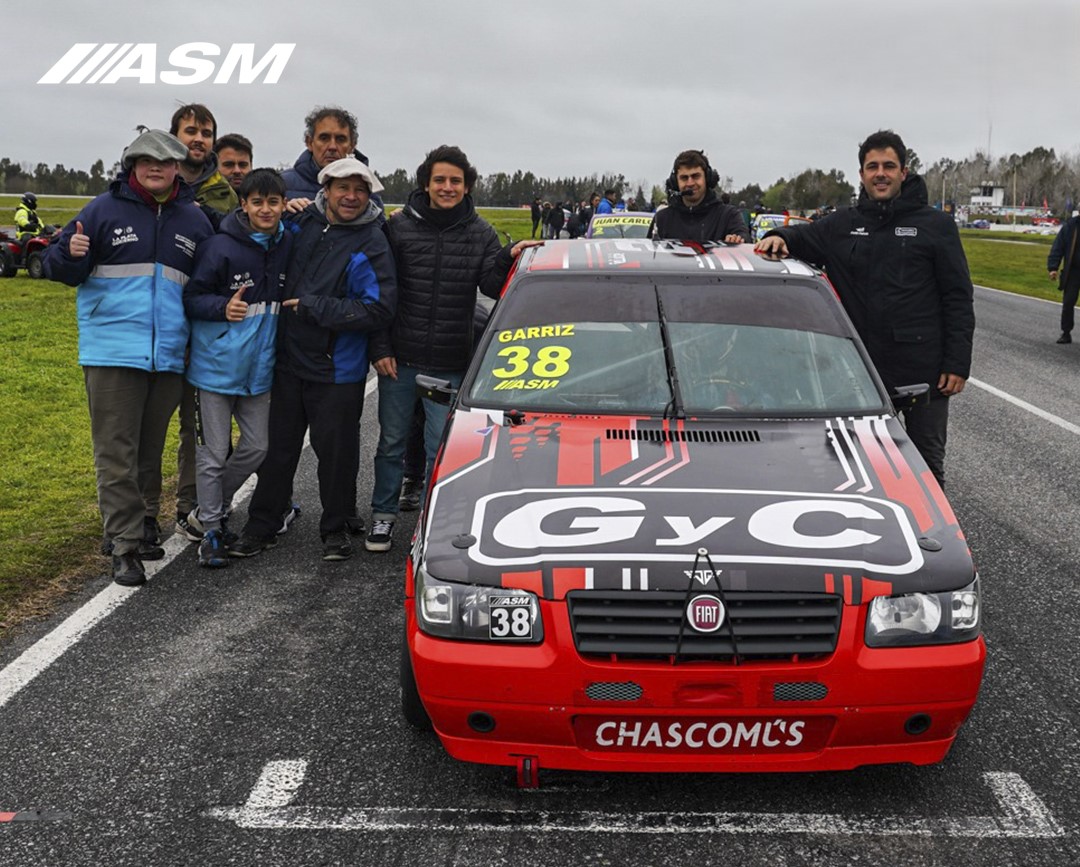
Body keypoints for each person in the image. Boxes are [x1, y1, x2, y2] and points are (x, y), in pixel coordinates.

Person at [754, 129, 974, 487]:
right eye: (872, 166)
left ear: (904, 172)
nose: (880, 173)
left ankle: (927, 542)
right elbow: (801, 237)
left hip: (924, 370)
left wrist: (957, 363)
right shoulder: (843, 224)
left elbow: (958, 297)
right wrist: (776, 237)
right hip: (858, 372)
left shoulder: (936, 226)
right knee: (853, 468)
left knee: (926, 472)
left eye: (889, 166)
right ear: (861, 174)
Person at [41, 130, 214, 585]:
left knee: (148, 450)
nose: (154, 167)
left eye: (164, 161)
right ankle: (123, 544)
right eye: (144, 160)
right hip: (113, 351)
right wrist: (67, 252)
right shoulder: (101, 209)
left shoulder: (194, 222)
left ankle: (141, 524)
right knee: (116, 451)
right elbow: (61, 270)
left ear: (178, 167)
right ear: (131, 165)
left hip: (170, 355)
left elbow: (203, 288)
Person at [366, 145, 540, 553]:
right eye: (440, 180)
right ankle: (383, 516)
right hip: (399, 359)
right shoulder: (398, 227)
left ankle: (431, 524)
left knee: (439, 450)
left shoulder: (480, 231)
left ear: (467, 187)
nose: (447, 187)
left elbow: (491, 287)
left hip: (450, 363)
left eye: (455, 181)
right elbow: (380, 292)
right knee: (390, 443)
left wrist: (508, 257)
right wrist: (380, 347)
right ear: (426, 183)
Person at [229, 157, 396, 562]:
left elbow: (378, 308)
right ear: (327, 189)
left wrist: (314, 307)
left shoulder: (371, 241)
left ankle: (335, 527)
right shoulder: (301, 224)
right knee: (277, 450)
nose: (351, 196)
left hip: (337, 368)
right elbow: (249, 234)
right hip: (287, 361)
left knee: (336, 454)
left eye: (360, 189)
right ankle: (262, 524)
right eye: (343, 188)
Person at [182, 169, 292, 568]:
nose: (266, 209)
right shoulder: (219, 247)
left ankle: (207, 507)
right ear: (243, 204)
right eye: (257, 202)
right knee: (212, 455)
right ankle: (211, 530)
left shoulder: (286, 243)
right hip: (215, 369)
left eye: (273, 202)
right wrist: (221, 308)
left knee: (257, 448)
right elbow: (193, 297)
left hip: (259, 370)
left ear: (283, 204)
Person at [168, 104, 240, 546]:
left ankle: (194, 504)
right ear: (174, 135)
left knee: (203, 424)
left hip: (208, 322)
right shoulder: (159, 183)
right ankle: (133, 518)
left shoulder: (224, 196)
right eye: (190, 131)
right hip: (157, 323)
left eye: (206, 132)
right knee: (152, 425)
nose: (199, 139)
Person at [281, 105, 377, 202]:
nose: (332, 147)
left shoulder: (369, 187)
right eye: (324, 138)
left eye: (340, 139)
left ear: (352, 145)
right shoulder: (282, 185)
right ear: (309, 142)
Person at [652, 150, 749, 243]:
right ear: (675, 182)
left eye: (695, 176)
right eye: (684, 178)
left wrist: (737, 240)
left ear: (707, 178)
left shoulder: (728, 216)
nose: (690, 183)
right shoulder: (662, 219)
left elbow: (745, 243)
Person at [1048, 212, 1080, 344]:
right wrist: (1053, 267)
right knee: (1068, 302)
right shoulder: (1071, 225)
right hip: (1073, 271)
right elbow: (1058, 246)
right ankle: (1066, 332)